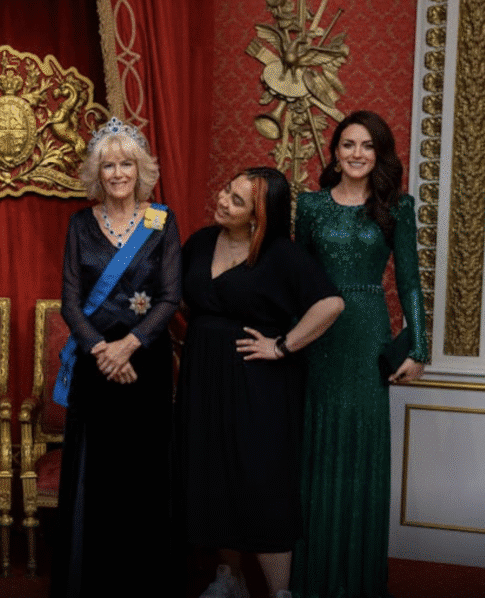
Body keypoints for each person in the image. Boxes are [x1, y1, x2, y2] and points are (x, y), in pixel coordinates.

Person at [177, 167, 344, 598]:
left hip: (259, 385)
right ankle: (229, 579)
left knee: (261, 482)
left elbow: (330, 304)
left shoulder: (281, 255)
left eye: (236, 200)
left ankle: (279, 592)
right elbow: (176, 299)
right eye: (225, 190)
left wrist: (282, 346)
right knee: (214, 477)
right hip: (203, 380)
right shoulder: (198, 242)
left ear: (259, 216)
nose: (222, 200)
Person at [290, 111, 427, 598]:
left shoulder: (397, 207)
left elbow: (409, 282)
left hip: (368, 331)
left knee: (361, 452)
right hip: (318, 335)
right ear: (334, 151)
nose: (356, 154)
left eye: (367, 146)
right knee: (316, 444)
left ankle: (358, 581)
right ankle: (312, 579)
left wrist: (419, 347)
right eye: (348, 144)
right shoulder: (309, 206)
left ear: (380, 154)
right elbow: (296, 279)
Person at [50, 118, 181, 598]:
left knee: (142, 476)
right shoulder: (80, 224)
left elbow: (170, 297)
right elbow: (68, 299)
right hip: (96, 363)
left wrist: (131, 345)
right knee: (96, 476)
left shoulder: (161, 221)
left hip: (145, 363)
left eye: (127, 163)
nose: (119, 173)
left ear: (141, 169)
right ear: (96, 173)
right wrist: (103, 350)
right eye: (109, 165)